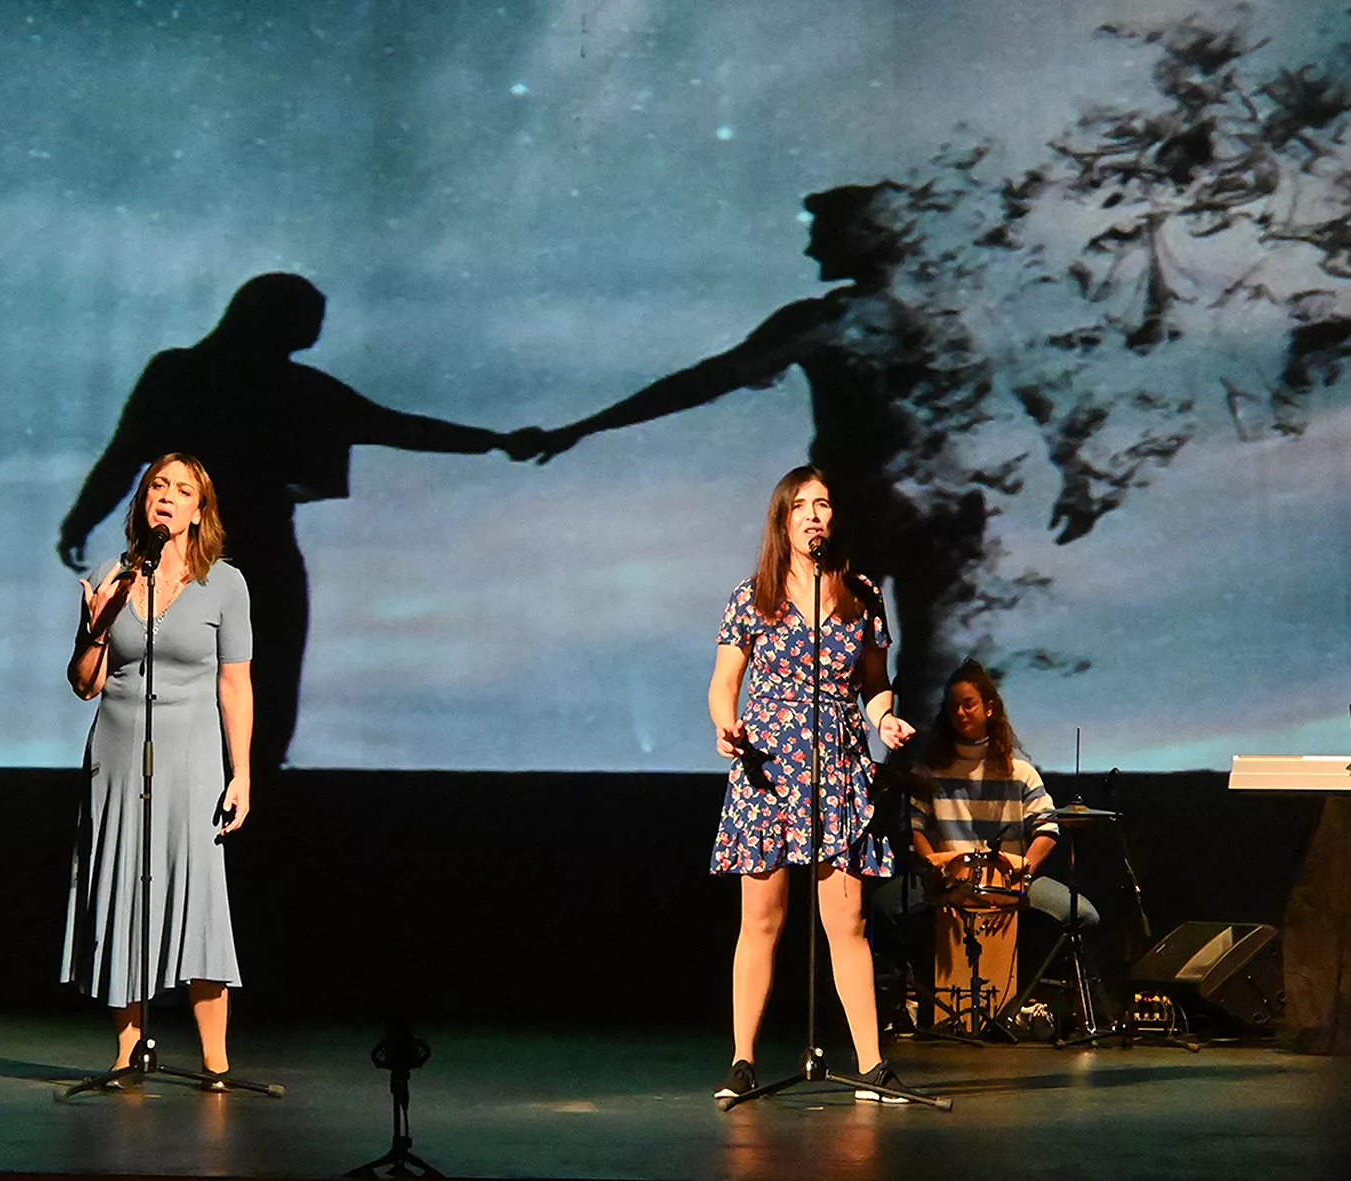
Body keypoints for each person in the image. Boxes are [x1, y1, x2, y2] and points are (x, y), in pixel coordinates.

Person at [535, 185, 990, 725]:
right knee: (926, 673)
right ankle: (918, 802)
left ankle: (836, 802)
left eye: (823, 237)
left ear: (863, 240)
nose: (811, 252)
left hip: (862, 510)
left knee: (827, 674)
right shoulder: (948, 324)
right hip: (942, 512)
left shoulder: (826, 323)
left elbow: (710, 379)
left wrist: (585, 426)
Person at [57, 272, 541, 779]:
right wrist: (499, 440)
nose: (314, 335)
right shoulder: (289, 389)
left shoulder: (183, 375)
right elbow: (398, 426)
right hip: (255, 553)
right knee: (265, 668)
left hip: (203, 554)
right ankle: (251, 780)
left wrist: (82, 520)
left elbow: (125, 455)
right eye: (308, 322)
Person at [708, 466, 917, 1105]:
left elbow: (874, 681)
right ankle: (744, 1061)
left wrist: (885, 718)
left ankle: (872, 1066)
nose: (814, 514)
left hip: (839, 767)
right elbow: (724, 683)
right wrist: (727, 727)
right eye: (801, 505)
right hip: (768, 768)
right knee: (762, 922)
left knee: (847, 921)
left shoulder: (860, 594)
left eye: (823, 503)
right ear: (783, 519)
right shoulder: (753, 595)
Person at [62, 453, 253, 1084]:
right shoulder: (114, 575)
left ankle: (216, 1062)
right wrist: (95, 632)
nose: (166, 497)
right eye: (157, 487)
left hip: (192, 758)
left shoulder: (225, 584)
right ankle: (126, 1053)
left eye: (181, 490)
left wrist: (241, 772)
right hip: (117, 756)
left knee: (198, 897)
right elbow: (85, 685)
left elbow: (235, 685)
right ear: (144, 502)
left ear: (201, 511)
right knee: (121, 890)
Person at [909, 659, 1098, 928]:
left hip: (1007, 880)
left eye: (968, 704)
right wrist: (937, 872)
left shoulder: (1019, 772)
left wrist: (1021, 877)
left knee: (1083, 915)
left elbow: (1047, 830)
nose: (960, 713)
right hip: (951, 881)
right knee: (881, 907)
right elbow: (914, 829)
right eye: (953, 707)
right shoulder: (928, 773)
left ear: (989, 708)